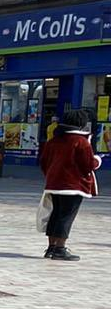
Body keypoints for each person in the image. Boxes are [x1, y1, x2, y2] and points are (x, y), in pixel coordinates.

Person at [39, 107, 100, 261]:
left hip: (54, 184)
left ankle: (51, 247)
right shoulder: (81, 142)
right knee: (66, 216)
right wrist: (97, 161)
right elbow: (88, 165)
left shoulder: (53, 141)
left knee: (55, 214)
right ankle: (60, 248)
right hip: (73, 185)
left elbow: (44, 162)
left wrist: (51, 176)